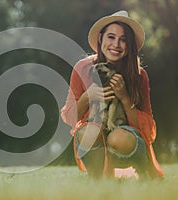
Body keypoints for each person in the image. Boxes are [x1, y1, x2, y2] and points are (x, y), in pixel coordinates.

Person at [61, 10, 164, 179]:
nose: (116, 44)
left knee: (118, 138)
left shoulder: (138, 75)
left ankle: (143, 168)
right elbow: (70, 118)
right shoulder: (83, 68)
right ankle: (99, 177)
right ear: (100, 38)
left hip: (125, 138)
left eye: (123, 40)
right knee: (87, 132)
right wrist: (88, 96)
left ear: (129, 46)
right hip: (96, 133)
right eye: (111, 37)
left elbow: (148, 128)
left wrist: (124, 98)